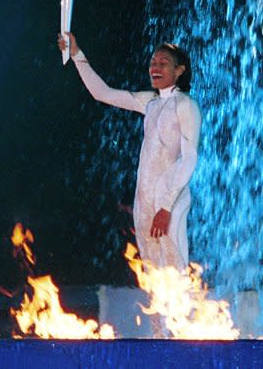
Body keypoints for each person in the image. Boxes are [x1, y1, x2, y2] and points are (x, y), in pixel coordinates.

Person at [58, 32, 201, 274]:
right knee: (153, 273)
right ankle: (160, 313)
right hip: (144, 198)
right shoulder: (150, 102)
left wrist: (166, 207)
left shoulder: (186, 105)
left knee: (175, 267)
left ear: (179, 70)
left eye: (163, 63)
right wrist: (76, 55)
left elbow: (189, 158)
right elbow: (102, 93)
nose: (155, 67)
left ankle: (185, 311)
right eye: (153, 63)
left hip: (169, 198)